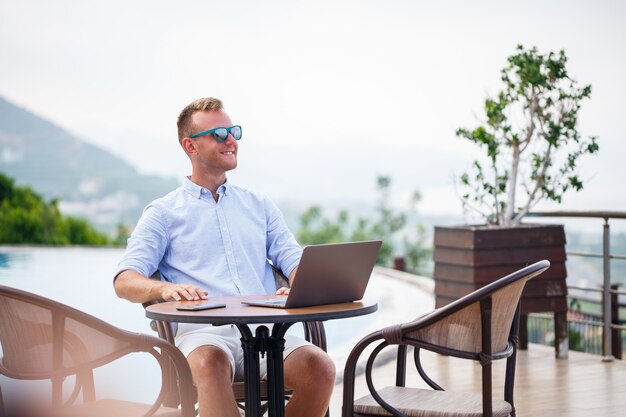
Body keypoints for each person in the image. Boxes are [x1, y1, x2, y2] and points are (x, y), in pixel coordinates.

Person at [113, 97, 335, 417]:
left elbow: (294, 260)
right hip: (205, 337)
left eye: (233, 131)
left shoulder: (260, 205)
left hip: (270, 334)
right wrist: (163, 289)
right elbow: (124, 281)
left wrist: (300, 288)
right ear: (190, 146)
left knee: (322, 369)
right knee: (210, 364)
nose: (231, 140)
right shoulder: (163, 213)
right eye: (219, 134)